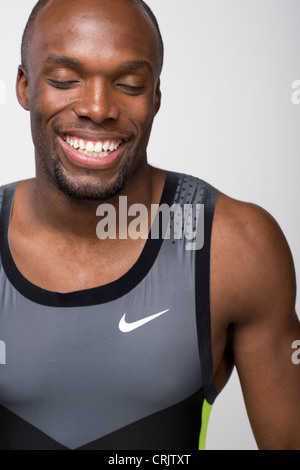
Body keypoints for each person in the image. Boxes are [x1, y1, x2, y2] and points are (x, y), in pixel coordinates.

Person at [0, 0, 299, 451]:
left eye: (129, 84)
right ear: (25, 86)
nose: (98, 108)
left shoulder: (236, 247)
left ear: (156, 96)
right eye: (65, 80)